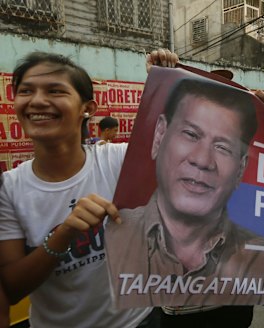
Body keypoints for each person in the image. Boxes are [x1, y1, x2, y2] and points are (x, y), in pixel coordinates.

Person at [0, 52, 157, 328]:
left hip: (138, 321)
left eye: (55, 90)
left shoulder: (119, 159)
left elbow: (192, 150)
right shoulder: (8, 189)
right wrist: (63, 235)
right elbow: (12, 288)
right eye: (25, 91)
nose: (36, 100)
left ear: (88, 108)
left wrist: (165, 80)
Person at [105, 77, 264, 311]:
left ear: (240, 168)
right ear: (160, 135)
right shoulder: (111, 239)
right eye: (191, 134)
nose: (202, 160)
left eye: (223, 147)